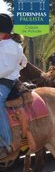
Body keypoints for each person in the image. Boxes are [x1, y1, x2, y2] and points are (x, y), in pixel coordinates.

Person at [0, 13, 27, 159]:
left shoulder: (11, 45)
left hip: (6, 81)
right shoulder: (7, 43)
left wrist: (15, 71)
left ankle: (6, 143)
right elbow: (24, 62)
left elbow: (9, 67)